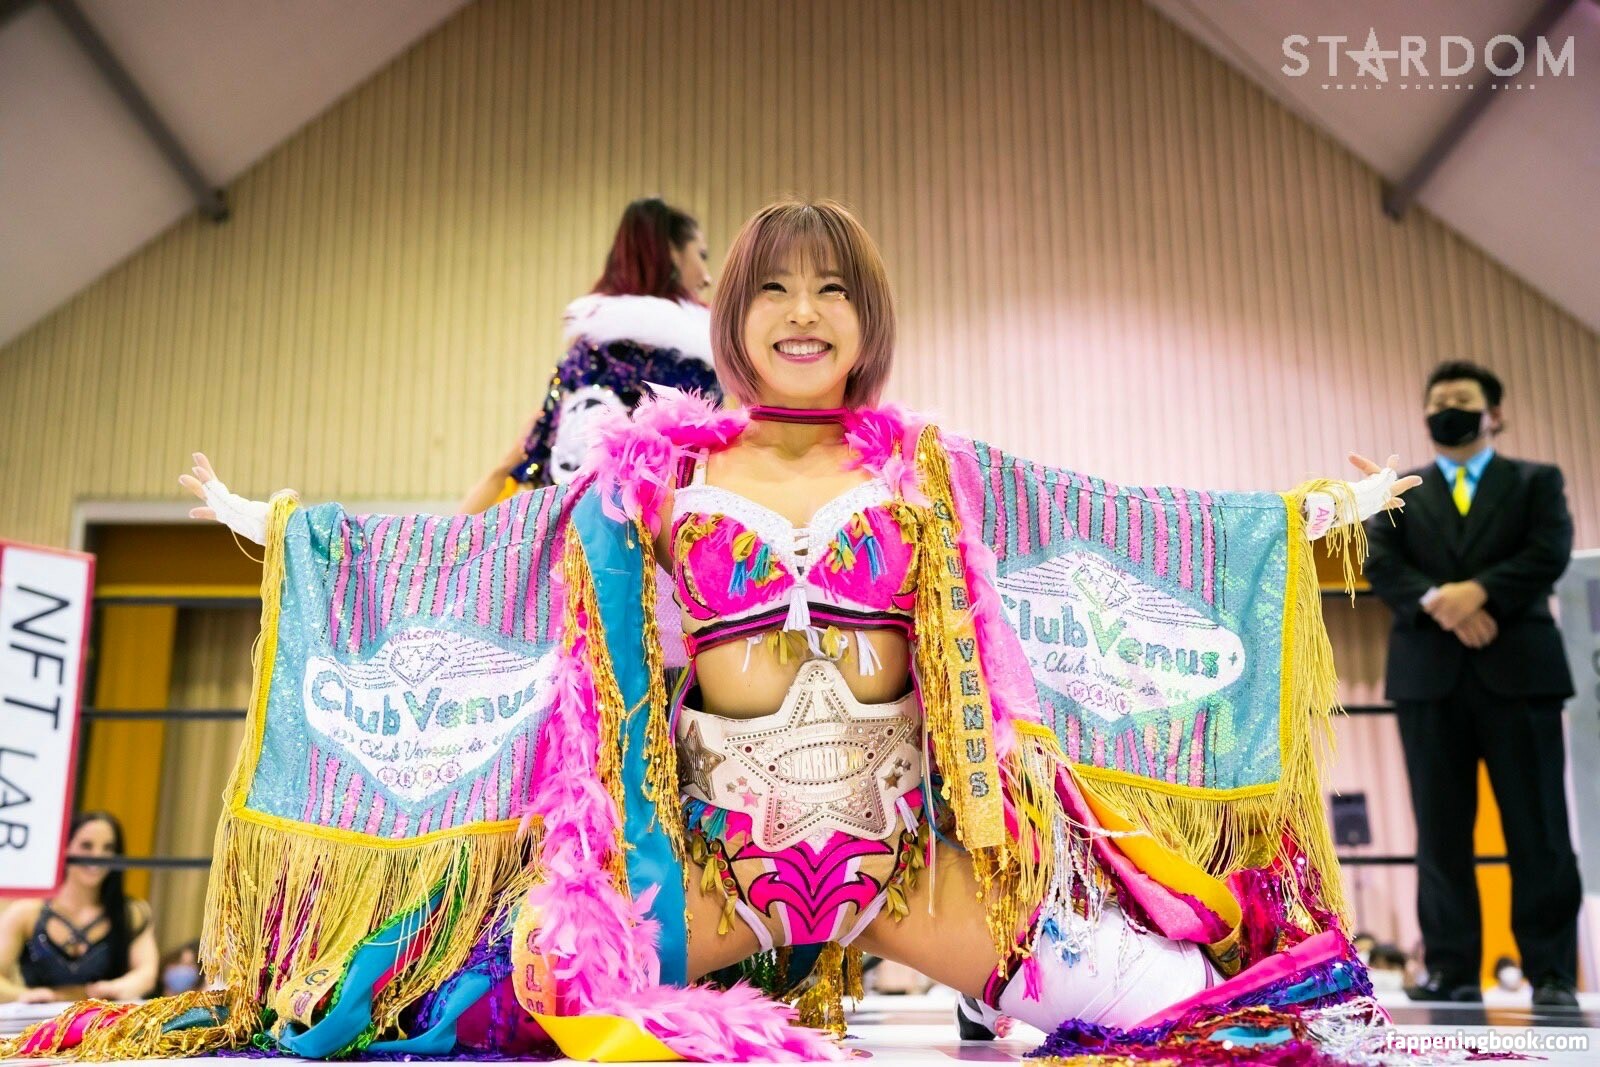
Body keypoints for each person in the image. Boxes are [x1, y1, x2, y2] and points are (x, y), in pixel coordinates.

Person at [13, 200, 1415, 1064]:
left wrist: (1305, 517)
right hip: (717, 868)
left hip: (905, 862)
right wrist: (289, 530)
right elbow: (490, 556)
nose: (804, 313)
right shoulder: (655, 475)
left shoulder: (931, 469)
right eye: (774, 290)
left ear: (867, 319)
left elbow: (1103, 526)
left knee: (1192, 1011)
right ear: (731, 319)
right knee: (507, 998)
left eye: (832, 289)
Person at [1363, 360, 1580, 1010]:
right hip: (1429, 682)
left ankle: (1551, 972)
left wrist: (1480, 592)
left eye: (1461, 398)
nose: (1447, 409)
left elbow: (1549, 550)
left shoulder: (1536, 481)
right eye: (1438, 401)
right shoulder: (1400, 492)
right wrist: (1440, 602)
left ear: (1494, 413)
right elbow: (1380, 561)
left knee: (1539, 828)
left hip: (1521, 677)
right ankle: (1451, 967)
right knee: (1440, 830)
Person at [459, 197, 722, 513]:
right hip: (653, 534)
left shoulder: (582, 356)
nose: (707, 277)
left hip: (564, 531)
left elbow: (529, 459)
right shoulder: (691, 364)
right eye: (701, 255)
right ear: (671, 254)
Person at [0, 812, 159, 1005]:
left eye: (108, 848)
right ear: (65, 848)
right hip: (38, 1021)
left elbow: (146, 973)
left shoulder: (132, 912)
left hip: (107, 1020)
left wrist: (119, 987)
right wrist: (21, 995)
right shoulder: (26, 912)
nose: (97, 857)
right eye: (86, 846)